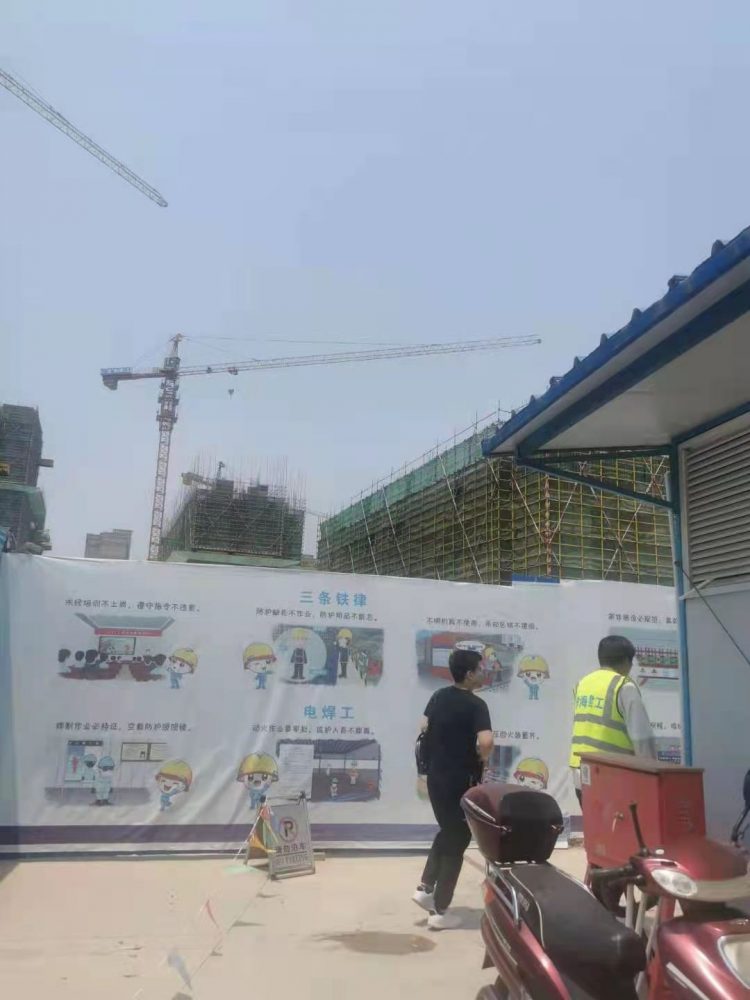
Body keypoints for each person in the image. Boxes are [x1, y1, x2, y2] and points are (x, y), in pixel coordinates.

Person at [413, 648, 494, 931]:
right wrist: (483, 758)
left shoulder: (438, 697)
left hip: (436, 777)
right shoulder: (476, 705)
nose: (484, 672)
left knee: (449, 830)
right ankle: (440, 910)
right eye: (480, 669)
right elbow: (486, 742)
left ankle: (425, 888)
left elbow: (423, 727)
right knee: (458, 838)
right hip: (461, 780)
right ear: (469, 674)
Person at [570, 635, 657, 807]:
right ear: (626, 661)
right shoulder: (624, 686)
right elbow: (642, 738)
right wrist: (652, 775)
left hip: (581, 774)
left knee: (593, 823)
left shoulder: (583, 684)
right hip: (613, 775)